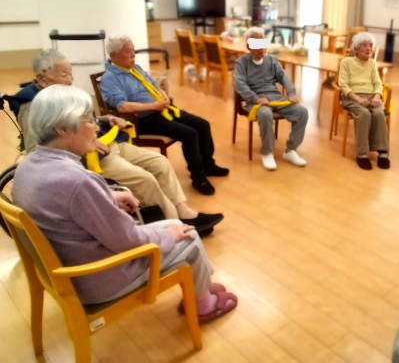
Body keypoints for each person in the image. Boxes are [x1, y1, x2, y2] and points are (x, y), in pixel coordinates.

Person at [11, 84, 237, 322]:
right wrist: (169, 235)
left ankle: (201, 286)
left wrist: (107, 196)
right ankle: (204, 305)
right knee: (187, 235)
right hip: (99, 277)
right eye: (88, 119)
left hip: (70, 268)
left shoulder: (27, 166)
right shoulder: (79, 181)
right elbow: (127, 239)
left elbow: (65, 204)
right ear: (63, 128)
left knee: (175, 225)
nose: (96, 126)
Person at [12, 49, 223, 237]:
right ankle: (176, 226)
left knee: (160, 162)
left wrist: (106, 119)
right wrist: (86, 144)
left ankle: (184, 211)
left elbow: (84, 120)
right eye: (64, 74)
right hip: (91, 155)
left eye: (71, 73)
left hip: (107, 141)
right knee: (144, 179)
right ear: (42, 78)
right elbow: (37, 151)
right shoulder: (32, 105)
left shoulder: (60, 95)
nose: (70, 80)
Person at [100, 35, 229, 196]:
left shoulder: (135, 68)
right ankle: (199, 178)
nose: (133, 54)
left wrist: (163, 96)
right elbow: (122, 106)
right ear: (114, 55)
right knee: (189, 133)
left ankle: (208, 165)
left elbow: (154, 85)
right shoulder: (110, 78)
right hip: (143, 119)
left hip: (162, 110)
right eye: (128, 51)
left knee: (202, 124)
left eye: (133, 50)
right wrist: (153, 105)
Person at [234, 27, 309, 170]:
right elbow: (239, 85)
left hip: (276, 98)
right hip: (256, 101)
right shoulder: (241, 63)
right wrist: (256, 98)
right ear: (249, 46)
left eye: (263, 44)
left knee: (302, 112)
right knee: (265, 114)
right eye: (257, 45)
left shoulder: (272, 60)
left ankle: (290, 150)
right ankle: (267, 152)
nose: (261, 49)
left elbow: (283, 76)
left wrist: (291, 93)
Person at [337, 32, 390, 170]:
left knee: (379, 113)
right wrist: (358, 99)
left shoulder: (372, 63)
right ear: (356, 48)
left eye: (370, 45)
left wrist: (377, 96)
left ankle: (383, 152)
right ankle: (362, 154)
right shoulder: (346, 62)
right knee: (364, 114)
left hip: (372, 96)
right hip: (352, 97)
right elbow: (343, 85)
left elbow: (378, 83)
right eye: (364, 45)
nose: (368, 48)